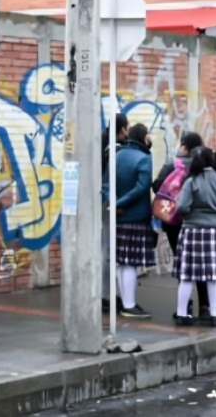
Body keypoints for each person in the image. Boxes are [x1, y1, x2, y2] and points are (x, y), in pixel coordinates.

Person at [173, 147, 216, 327]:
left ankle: (182, 313)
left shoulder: (191, 181)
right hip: (215, 231)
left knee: (187, 275)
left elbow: (182, 206)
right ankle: (215, 315)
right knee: (213, 276)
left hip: (192, 230)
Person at [154, 132, 211, 316]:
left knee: (182, 263)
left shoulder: (172, 165)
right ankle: (204, 305)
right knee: (201, 262)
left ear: (184, 146)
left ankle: (184, 306)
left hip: (173, 221)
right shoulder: (204, 166)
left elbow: (156, 186)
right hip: (197, 220)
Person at [114, 123, 155, 319]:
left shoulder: (117, 155)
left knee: (121, 262)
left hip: (118, 216)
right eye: (148, 136)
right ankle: (129, 305)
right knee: (130, 263)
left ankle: (124, 301)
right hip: (136, 216)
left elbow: (106, 182)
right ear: (143, 137)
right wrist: (120, 203)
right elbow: (142, 187)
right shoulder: (144, 158)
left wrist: (113, 203)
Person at [101, 113, 129, 314]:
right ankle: (107, 296)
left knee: (107, 250)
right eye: (126, 128)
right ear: (122, 129)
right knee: (109, 252)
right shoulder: (115, 150)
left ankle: (108, 294)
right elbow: (109, 180)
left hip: (105, 202)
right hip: (111, 203)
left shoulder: (104, 146)